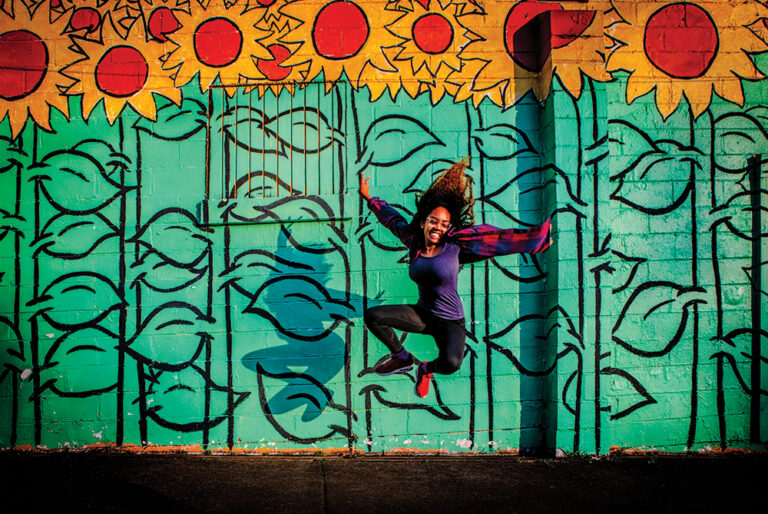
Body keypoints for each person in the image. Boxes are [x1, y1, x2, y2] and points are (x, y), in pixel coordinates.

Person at [360, 158, 552, 398]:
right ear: (423, 222)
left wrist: (536, 241)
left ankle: (425, 369)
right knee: (374, 316)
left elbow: (499, 242)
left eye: (444, 224)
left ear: (448, 227)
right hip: (423, 315)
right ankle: (402, 358)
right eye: (433, 221)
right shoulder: (414, 242)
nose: (437, 227)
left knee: (451, 363)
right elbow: (393, 220)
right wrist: (369, 198)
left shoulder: (456, 248)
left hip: (450, 322)